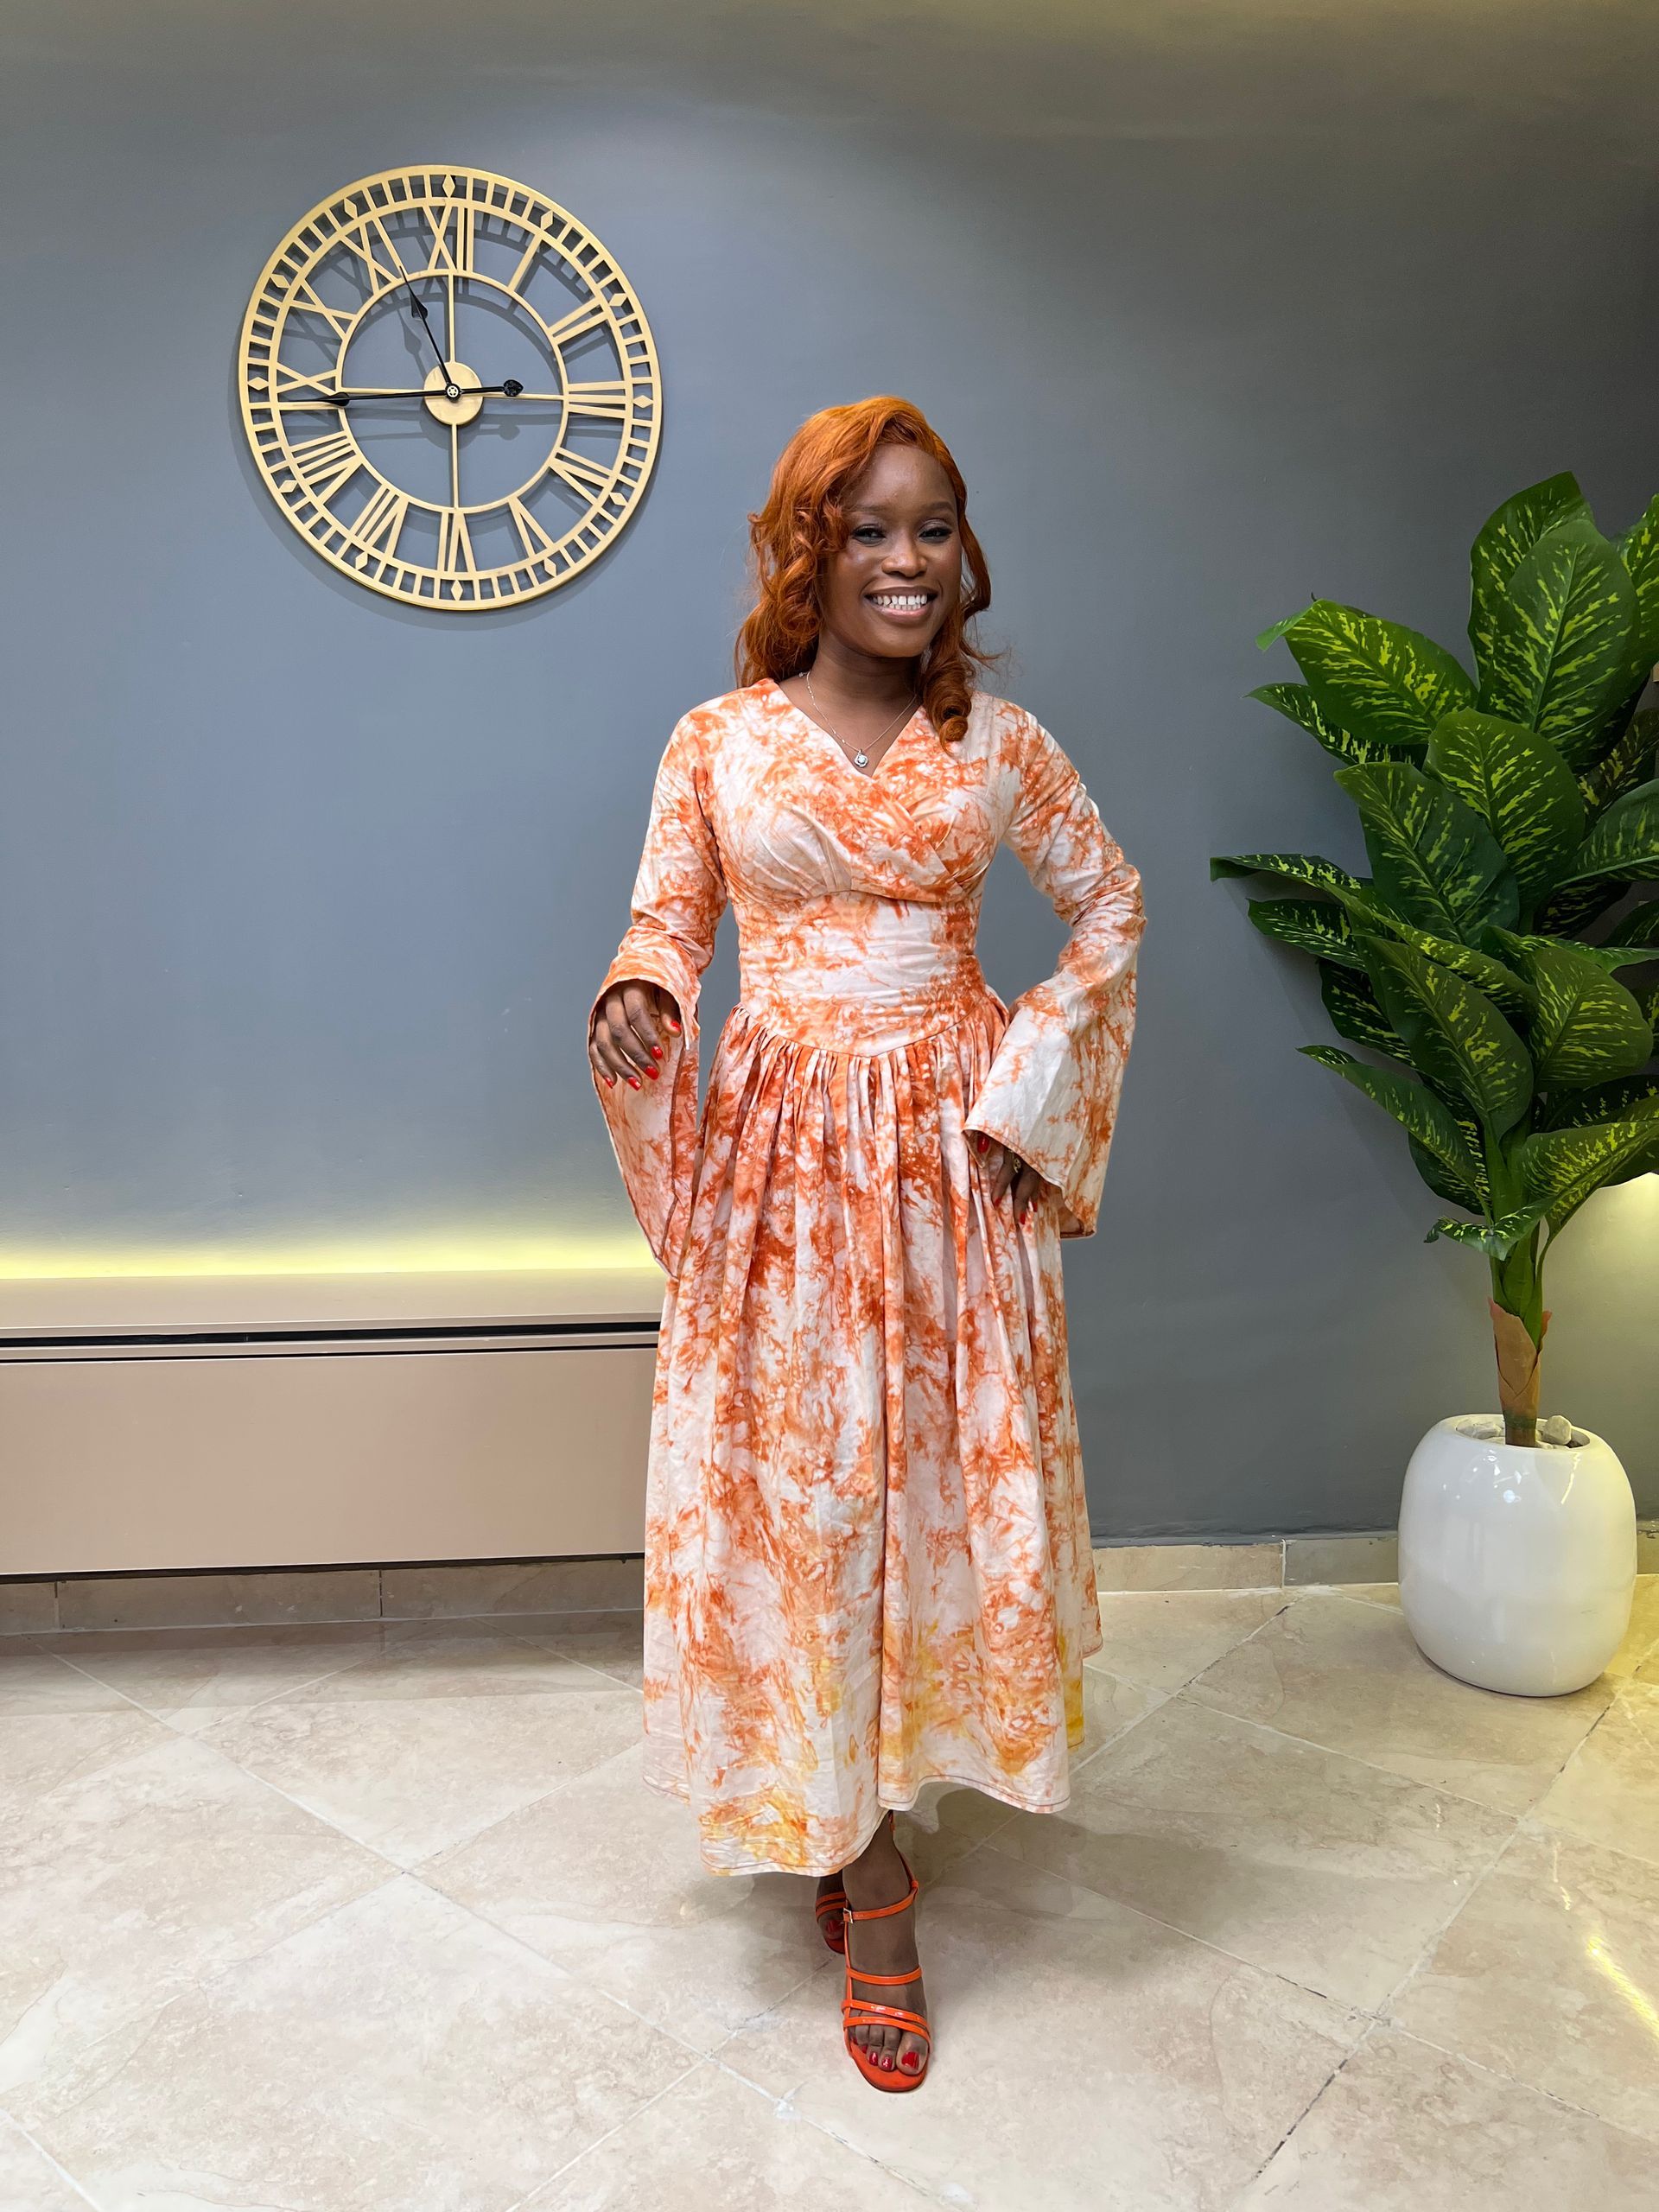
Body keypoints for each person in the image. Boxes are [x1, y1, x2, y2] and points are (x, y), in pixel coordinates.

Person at [587, 396, 1144, 2093]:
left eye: (934, 527)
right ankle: (867, 1865)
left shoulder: (1000, 744)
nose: (907, 560)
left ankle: (872, 1808)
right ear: (805, 550)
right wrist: (642, 991)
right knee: (813, 1499)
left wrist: (1027, 1092)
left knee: (925, 1489)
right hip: (780, 1171)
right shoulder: (717, 741)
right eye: (869, 528)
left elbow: (1109, 901)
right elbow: (670, 920)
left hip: (946, 1163)